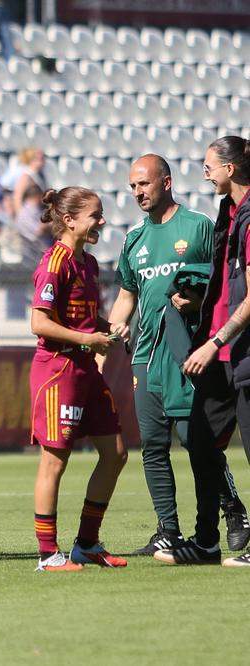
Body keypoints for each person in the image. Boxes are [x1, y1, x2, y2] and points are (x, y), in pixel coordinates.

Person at [107, 154, 249, 556]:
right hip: (145, 354)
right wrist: (116, 326)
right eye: (133, 186)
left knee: (195, 439)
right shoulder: (134, 239)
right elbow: (126, 294)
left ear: (165, 182)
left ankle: (232, 508)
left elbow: (221, 280)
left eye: (144, 184)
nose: (137, 192)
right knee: (152, 444)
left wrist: (196, 301)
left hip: (186, 352)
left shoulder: (198, 227)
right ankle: (167, 529)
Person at [157, 136, 250, 567]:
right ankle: (207, 542)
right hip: (221, 353)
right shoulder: (227, 213)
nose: (205, 171)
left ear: (230, 169)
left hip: (239, 353)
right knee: (199, 440)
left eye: (209, 165)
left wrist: (216, 341)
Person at [28, 187, 129, 572]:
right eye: (95, 215)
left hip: (85, 368)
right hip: (58, 370)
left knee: (115, 453)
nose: (101, 221)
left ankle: (86, 543)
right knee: (55, 461)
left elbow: (84, 320)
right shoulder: (55, 262)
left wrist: (109, 329)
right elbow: (39, 322)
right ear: (69, 220)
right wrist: (89, 338)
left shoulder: (87, 262)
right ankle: (47, 554)